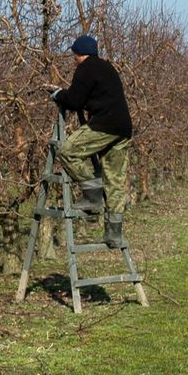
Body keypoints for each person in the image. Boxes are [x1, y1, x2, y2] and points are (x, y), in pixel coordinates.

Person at [51, 34, 134, 249]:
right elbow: (93, 97)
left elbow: (75, 100)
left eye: (74, 55)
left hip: (104, 125)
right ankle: (114, 234)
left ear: (79, 54)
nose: (74, 59)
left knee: (68, 151)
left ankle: (92, 193)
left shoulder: (85, 68)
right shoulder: (107, 68)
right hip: (123, 128)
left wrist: (59, 95)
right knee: (115, 181)